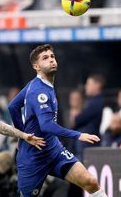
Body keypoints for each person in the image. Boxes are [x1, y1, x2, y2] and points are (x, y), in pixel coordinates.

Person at [8, 44, 106, 197]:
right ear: (36, 66)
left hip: (54, 151)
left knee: (90, 182)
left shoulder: (37, 85)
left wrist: (23, 134)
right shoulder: (39, 91)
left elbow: (13, 106)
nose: (51, 60)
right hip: (33, 158)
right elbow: (46, 125)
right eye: (45, 58)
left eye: (52, 56)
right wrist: (78, 135)